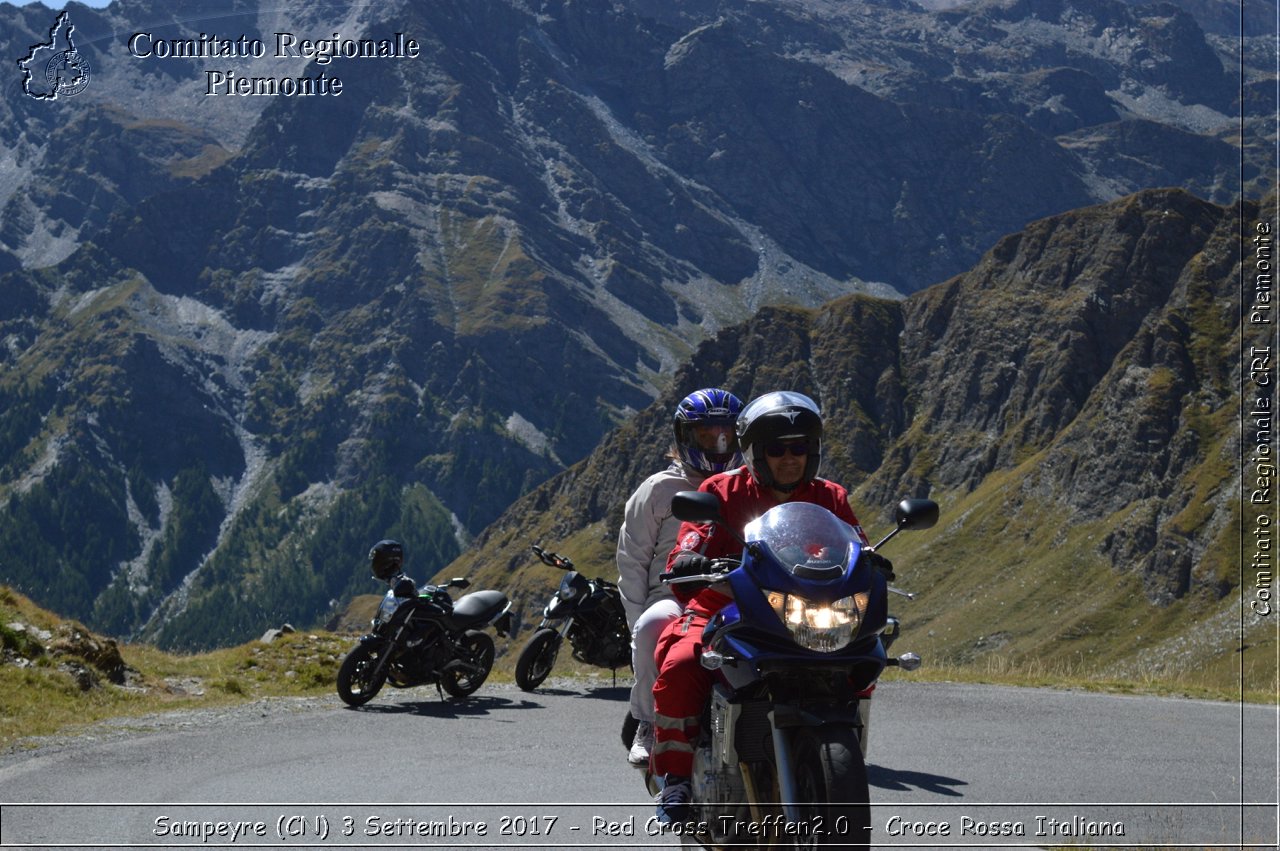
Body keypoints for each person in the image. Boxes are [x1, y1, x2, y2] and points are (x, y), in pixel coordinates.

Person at [649, 391, 894, 822]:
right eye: (777, 449)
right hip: (728, 608)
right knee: (684, 661)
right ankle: (675, 780)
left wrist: (872, 558)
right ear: (755, 453)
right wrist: (690, 558)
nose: (789, 458)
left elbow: (856, 542)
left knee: (861, 653)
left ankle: (843, 754)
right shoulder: (720, 490)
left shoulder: (830, 496)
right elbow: (689, 542)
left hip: (801, 613)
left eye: (800, 447)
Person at [616, 387, 744, 768]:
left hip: (741, 591)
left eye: (727, 436)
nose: (718, 445)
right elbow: (632, 559)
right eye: (706, 436)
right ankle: (648, 723)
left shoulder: (750, 484)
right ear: (684, 438)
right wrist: (637, 620)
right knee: (654, 626)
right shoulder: (657, 490)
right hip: (672, 596)